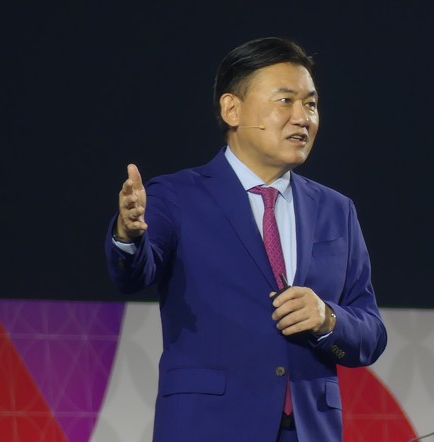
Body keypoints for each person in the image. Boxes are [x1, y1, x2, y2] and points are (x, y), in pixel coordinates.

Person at [105, 36, 387, 442]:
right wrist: (128, 234)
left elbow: (371, 334)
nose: (302, 118)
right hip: (209, 427)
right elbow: (134, 273)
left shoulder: (336, 210)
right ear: (232, 109)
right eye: (285, 101)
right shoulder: (178, 196)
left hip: (309, 430)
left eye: (310, 104)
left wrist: (328, 318)